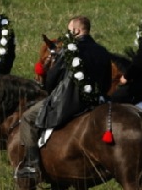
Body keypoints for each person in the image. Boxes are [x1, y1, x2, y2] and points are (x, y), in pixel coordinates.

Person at [15, 15, 112, 179]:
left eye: (69, 30)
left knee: (27, 118)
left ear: (76, 30)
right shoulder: (102, 51)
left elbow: (53, 76)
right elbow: (107, 81)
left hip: (69, 102)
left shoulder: (70, 50)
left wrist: (48, 89)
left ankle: (32, 165)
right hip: (96, 102)